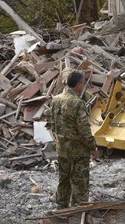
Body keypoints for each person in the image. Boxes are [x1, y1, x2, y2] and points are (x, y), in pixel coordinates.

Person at [49, 70, 99, 209]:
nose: (83, 86)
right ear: (78, 85)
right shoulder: (77, 103)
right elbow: (84, 130)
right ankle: (78, 210)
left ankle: (61, 207)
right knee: (80, 182)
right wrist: (93, 147)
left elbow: (52, 123)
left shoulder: (56, 99)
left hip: (62, 148)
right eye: (83, 84)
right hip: (78, 151)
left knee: (63, 178)